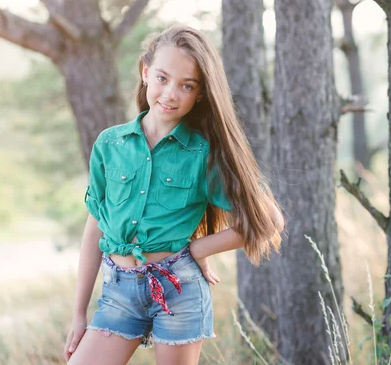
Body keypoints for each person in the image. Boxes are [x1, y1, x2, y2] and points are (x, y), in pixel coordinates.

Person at [64, 25, 285, 365]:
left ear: (200, 94)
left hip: (179, 289)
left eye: (187, 85)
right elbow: (95, 228)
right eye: (163, 78)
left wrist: (197, 248)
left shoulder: (205, 154)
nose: (170, 93)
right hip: (118, 292)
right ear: (145, 72)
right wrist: (79, 314)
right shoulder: (110, 144)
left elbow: (268, 220)